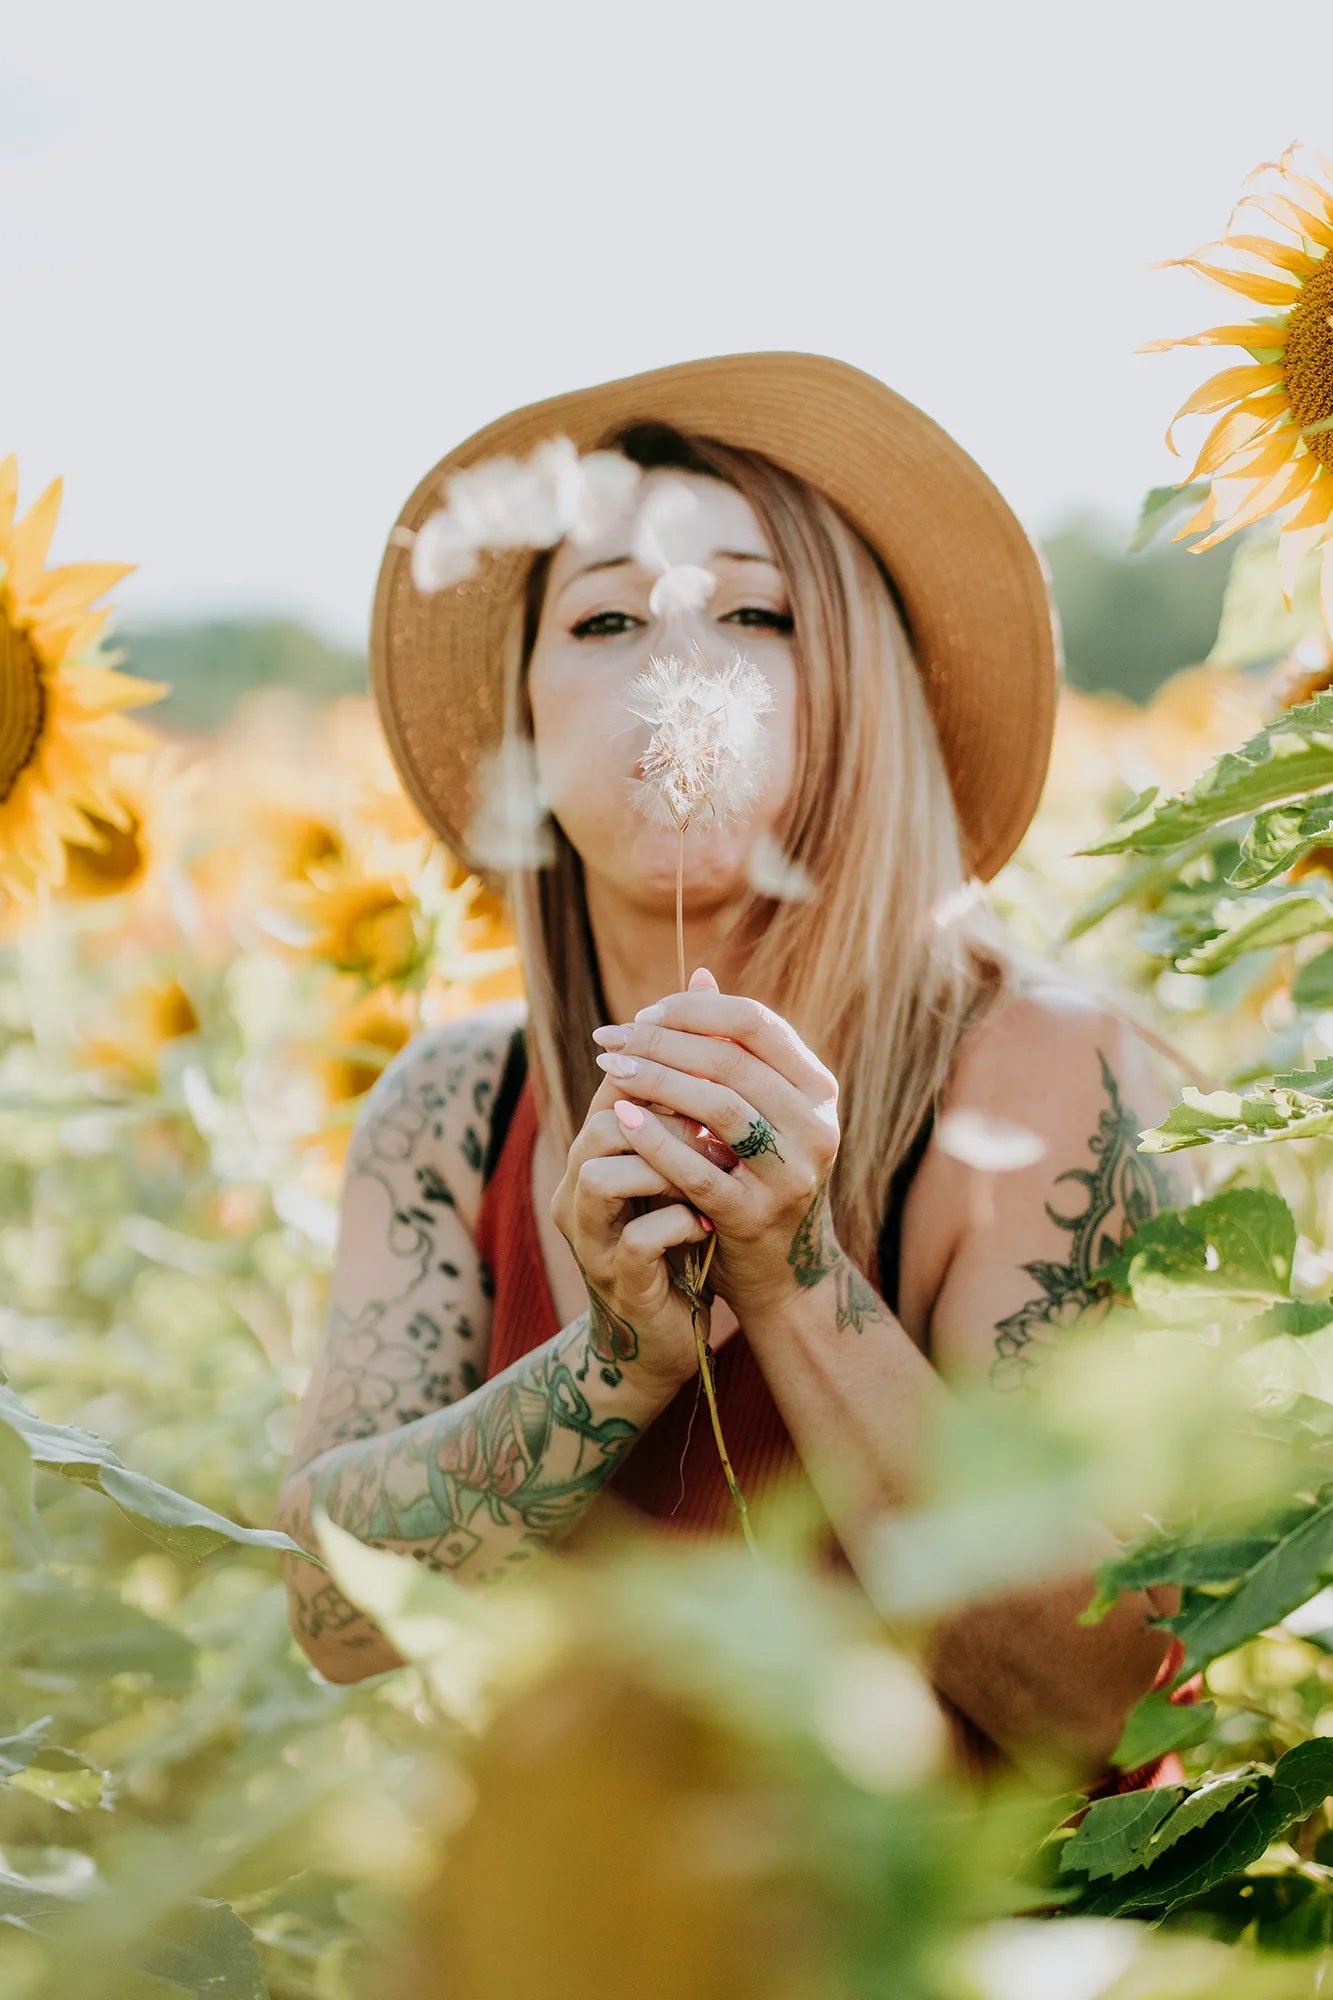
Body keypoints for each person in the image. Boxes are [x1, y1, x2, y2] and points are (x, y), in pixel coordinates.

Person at [274, 352, 1198, 1794]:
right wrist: (617, 1359)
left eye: (755, 610)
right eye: (605, 616)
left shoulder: (1042, 1072)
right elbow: (332, 1613)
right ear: (524, 722)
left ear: (857, 693)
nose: (677, 659)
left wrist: (789, 1272)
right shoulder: (455, 1114)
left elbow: (1105, 1700)